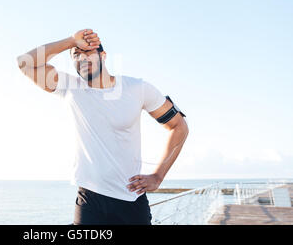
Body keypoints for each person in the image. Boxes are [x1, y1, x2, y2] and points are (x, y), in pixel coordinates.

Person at [16, 29, 189, 225]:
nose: (82, 58)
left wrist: (158, 176)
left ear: (103, 56)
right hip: (89, 200)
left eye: (88, 51)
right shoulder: (70, 87)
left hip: (131, 200)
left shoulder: (137, 89)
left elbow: (179, 126)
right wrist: (71, 41)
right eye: (77, 54)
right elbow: (24, 62)